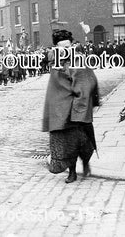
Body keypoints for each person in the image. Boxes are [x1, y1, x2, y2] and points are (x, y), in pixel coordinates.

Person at [42, 30, 99, 183]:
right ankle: (72, 172)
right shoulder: (55, 63)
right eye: (61, 48)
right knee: (67, 143)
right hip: (62, 112)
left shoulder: (78, 60)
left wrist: (80, 104)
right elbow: (55, 87)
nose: (65, 50)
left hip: (77, 109)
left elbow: (88, 82)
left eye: (68, 46)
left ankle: (86, 163)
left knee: (83, 142)